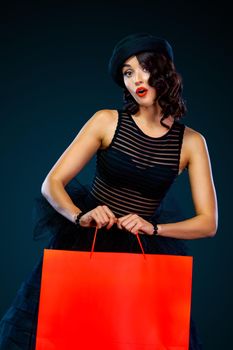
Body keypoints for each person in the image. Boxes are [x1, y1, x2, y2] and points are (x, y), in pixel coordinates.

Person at [0, 32, 218, 349]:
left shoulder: (192, 143)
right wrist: (79, 216)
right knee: (64, 336)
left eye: (143, 67)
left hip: (144, 252)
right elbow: (52, 183)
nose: (136, 78)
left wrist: (154, 227)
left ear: (164, 70)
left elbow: (208, 223)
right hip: (84, 242)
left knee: (133, 339)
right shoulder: (106, 121)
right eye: (127, 72)